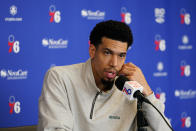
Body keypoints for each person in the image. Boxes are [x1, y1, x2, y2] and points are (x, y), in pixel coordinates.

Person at [37, 20, 171, 131]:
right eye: (107, 53)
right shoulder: (60, 78)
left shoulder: (130, 88)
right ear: (92, 51)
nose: (114, 63)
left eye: (121, 55)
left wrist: (147, 93)